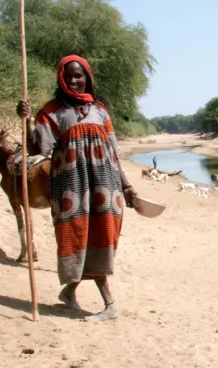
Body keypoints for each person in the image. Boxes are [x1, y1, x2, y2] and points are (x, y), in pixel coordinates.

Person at [17, 55, 138, 321]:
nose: (73, 80)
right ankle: (110, 305)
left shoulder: (100, 110)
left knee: (103, 234)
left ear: (87, 78)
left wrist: (127, 186)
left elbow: (114, 153)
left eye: (78, 75)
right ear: (61, 79)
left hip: (105, 184)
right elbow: (36, 148)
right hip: (71, 185)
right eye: (68, 76)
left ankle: (70, 292)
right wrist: (25, 121)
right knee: (78, 235)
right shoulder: (52, 112)